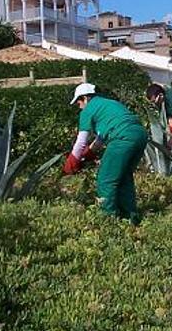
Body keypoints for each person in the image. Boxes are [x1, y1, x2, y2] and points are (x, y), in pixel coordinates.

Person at [62, 83, 148, 225]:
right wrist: (88, 154)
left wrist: (71, 162)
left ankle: (109, 220)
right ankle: (131, 218)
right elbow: (100, 139)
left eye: (78, 101)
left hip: (122, 138)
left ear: (85, 98)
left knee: (105, 179)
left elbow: (81, 141)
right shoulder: (109, 103)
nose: (78, 105)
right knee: (124, 177)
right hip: (140, 135)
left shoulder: (88, 110)